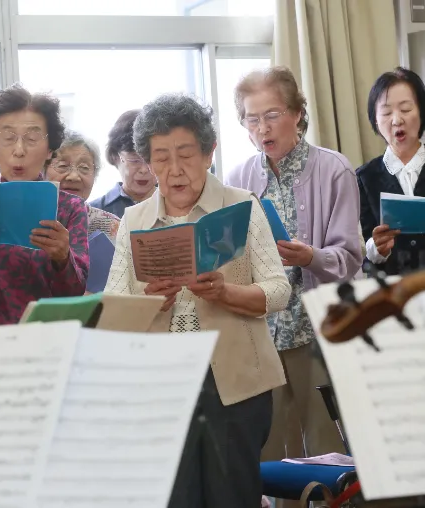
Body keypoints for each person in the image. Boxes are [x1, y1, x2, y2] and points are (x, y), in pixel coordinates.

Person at [105, 93, 289, 508]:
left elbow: (279, 290)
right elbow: (114, 305)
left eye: (186, 154)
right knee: (176, 497)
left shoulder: (242, 206)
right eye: (161, 157)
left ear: (209, 153)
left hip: (235, 382)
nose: (174, 169)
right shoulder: (134, 220)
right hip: (164, 384)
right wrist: (150, 300)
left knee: (232, 496)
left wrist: (226, 292)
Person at [225, 66, 360, 476]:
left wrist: (310, 257)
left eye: (272, 114)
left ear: (297, 113)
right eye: (251, 119)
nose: (262, 128)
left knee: (324, 442)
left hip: (315, 325)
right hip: (261, 329)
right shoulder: (238, 178)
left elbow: (351, 257)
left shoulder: (334, 169)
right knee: (269, 444)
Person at [0, 84, 90, 327]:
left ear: (50, 150)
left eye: (32, 139)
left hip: (45, 338)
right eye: (8, 138)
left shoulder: (69, 208)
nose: (19, 150)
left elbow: (74, 292)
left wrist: (62, 259)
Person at [358, 67, 425, 275]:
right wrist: (377, 247)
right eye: (386, 113)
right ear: (376, 121)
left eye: (405, 109)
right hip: (392, 289)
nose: (396, 120)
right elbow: (363, 249)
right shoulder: (364, 178)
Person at [44, 130, 121, 241]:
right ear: (42, 170)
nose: (74, 176)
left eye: (84, 167)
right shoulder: (26, 217)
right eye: (63, 166)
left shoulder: (111, 227)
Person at [89, 109, 157, 217]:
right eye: (135, 160)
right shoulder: (94, 212)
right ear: (115, 156)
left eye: (151, 160)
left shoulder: (177, 205)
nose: (144, 169)